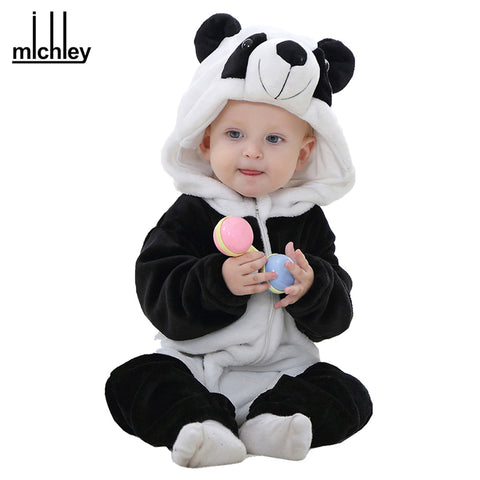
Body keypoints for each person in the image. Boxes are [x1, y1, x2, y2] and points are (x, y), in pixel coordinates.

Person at [105, 13, 372, 468]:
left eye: (274, 139)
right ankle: (199, 424)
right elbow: (156, 290)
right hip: (196, 367)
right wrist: (218, 280)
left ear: (303, 153)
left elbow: (337, 314)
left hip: (284, 372)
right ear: (206, 141)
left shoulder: (306, 219)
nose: (252, 151)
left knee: (350, 395)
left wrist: (314, 287)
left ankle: (273, 421)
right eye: (234, 134)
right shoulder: (192, 211)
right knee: (132, 382)